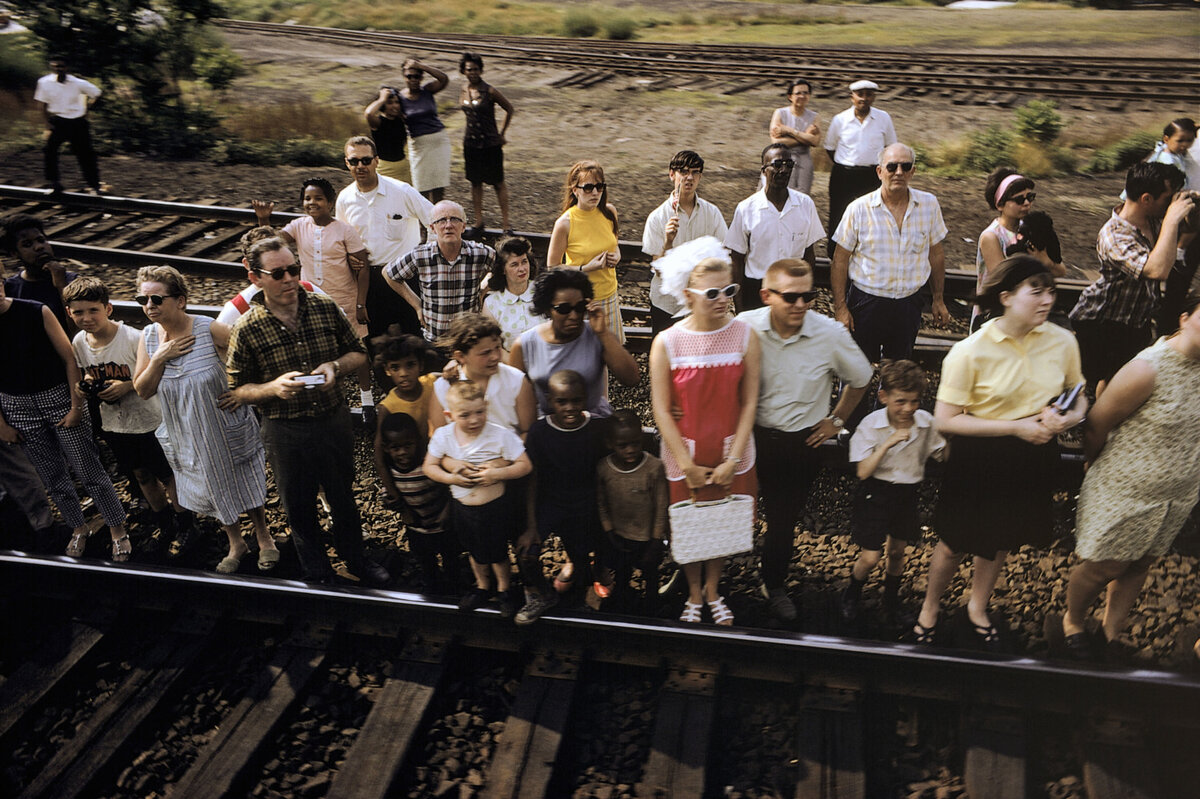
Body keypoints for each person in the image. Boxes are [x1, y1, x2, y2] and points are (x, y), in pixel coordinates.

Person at [914, 256, 1087, 651]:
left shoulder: (1063, 340)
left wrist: (1068, 420)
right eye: (1037, 291)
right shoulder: (969, 352)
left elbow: (1079, 395)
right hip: (981, 455)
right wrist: (1015, 427)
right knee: (955, 540)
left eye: (1051, 291)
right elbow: (946, 421)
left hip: (1034, 453)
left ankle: (977, 607)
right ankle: (929, 608)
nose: (1047, 300)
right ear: (1006, 297)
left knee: (1003, 536)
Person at [226, 238, 388, 586]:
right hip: (285, 431)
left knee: (343, 497)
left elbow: (358, 354)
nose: (289, 279)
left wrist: (334, 365)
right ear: (255, 278)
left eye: (294, 270)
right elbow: (238, 389)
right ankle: (318, 573)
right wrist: (273, 388)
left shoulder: (323, 307)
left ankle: (356, 560)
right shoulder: (247, 328)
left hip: (331, 421)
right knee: (298, 507)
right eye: (279, 273)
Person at [1061, 294, 1200, 661]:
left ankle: (1110, 634)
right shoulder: (1149, 369)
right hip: (1126, 489)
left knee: (1140, 563)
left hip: (1177, 492)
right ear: (1184, 318)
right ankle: (1072, 621)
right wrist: (1091, 466)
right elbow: (1097, 423)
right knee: (1103, 565)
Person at [736, 258, 873, 622]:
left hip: (800, 445)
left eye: (808, 296)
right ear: (766, 295)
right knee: (726, 510)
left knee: (783, 521)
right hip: (748, 439)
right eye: (790, 297)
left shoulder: (829, 334)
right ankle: (704, 582)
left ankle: (773, 583)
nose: (800, 305)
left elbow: (861, 377)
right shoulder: (742, 328)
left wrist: (837, 420)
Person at [131, 266, 277, 573]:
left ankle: (264, 537)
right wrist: (160, 357)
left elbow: (250, 359)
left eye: (157, 299)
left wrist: (241, 393)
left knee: (242, 477)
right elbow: (142, 389)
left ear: (180, 300)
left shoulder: (208, 328)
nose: (149, 307)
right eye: (142, 300)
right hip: (185, 429)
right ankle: (235, 542)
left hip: (223, 424)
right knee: (212, 483)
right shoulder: (148, 338)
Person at [651, 246, 760, 625]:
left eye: (728, 291)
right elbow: (661, 409)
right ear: (687, 295)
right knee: (690, 523)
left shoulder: (746, 336)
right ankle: (694, 593)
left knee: (722, 522)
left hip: (731, 448)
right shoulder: (667, 342)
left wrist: (733, 459)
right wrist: (686, 463)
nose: (723, 300)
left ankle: (714, 590)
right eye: (712, 293)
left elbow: (749, 402)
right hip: (687, 453)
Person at [0, 275, 129, 560]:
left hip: (58, 397)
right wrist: (1, 424)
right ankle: (78, 527)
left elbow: (69, 359)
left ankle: (117, 529)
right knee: (53, 477)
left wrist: (75, 407)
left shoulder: (35, 310)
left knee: (88, 470)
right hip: (17, 406)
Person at [65, 277, 189, 545]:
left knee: (167, 474)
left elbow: (153, 375)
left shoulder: (133, 337)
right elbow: (87, 373)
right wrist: (87, 386)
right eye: (78, 312)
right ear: (69, 313)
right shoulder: (79, 342)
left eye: (93, 310)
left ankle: (186, 522)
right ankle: (164, 520)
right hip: (116, 423)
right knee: (141, 474)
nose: (86, 318)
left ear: (108, 309)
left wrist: (126, 387)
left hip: (149, 419)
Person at [1069, 162, 1194, 397]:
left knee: (1119, 381)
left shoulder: (1154, 219)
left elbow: (1190, 227)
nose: (1171, 205)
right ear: (1146, 199)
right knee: (1093, 385)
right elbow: (1156, 271)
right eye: (1168, 198)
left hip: (1136, 319)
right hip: (1102, 321)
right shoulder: (1113, 234)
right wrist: (1171, 222)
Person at [255, 178, 374, 420]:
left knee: (358, 348)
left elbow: (363, 268)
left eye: (318, 198)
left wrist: (361, 303)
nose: (312, 203)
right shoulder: (298, 226)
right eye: (308, 198)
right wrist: (264, 220)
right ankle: (322, 398)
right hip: (310, 302)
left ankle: (367, 399)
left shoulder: (344, 230)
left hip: (344, 299)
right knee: (318, 350)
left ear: (330, 202)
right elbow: (270, 246)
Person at [841, 360, 945, 626]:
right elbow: (863, 471)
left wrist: (957, 433)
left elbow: (942, 454)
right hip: (875, 493)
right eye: (901, 401)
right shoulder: (871, 425)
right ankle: (852, 592)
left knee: (898, 552)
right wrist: (887, 443)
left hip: (907, 493)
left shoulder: (924, 422)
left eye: (914, 401)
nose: (908, 408)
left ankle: (890, 601)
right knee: (871, 556)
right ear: (884, 397)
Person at [831, 142, 951, 373]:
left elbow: (936, 254)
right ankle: (853, 411)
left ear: (913, 172)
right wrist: (841, 307)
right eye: (892, 166)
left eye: (906, 167)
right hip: (866, 302)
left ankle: (885, 410)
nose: (899, 172)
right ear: (879, 171)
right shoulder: (858, 209)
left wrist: (938, 298)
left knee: (898, 373)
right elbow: (840, 260)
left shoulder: (929, 205)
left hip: (908, 303)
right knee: (856, 370)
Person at [425, 380, 531, 616]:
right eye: (465, 415)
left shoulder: (499, 435)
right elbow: (429, 467)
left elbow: (525, 465)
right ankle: (482, 585)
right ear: (449, 414)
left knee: (498, 552)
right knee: (474, 551)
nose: (474, 420)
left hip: (494, 508)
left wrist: (498, 473)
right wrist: (451, 478)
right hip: (463, 508)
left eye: (479, 412)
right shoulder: (444, 436)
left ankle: (504, 588)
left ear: (487, 407)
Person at [520, 369, 608, 622]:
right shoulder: (539, 431)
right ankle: (543, 595)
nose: (570, 408)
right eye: (561, 401)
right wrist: (531, 525)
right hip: (551, 503)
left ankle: (581, 600)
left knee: (581, 559)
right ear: (549, 400)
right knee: (526, 554)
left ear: (585, 399)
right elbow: (532, 479)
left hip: (584, 505)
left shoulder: (597, 428)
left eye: (576, 401)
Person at [336, 135, 433, 341]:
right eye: (354, 161)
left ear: (376, 160)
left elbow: (435, 220)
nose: (360, 166)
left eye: (366, 160)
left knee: (415, 337)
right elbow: (341, 237)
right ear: (347, 163)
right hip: (369, 280)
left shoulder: (402, 191)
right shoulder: (344, 199)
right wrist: (347, 256)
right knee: (377, 341)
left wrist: (428, 257)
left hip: (406, 277)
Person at [510, 268, 640, 419]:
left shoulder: (596, 334)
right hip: (546, 429)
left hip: (594, 423)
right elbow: (513, 400)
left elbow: (631, 378)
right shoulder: (525, 344)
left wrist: (603, 334)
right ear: (547, 310)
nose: (574, 316)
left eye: (579, 308)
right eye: (564, 309)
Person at [725, 143, 824, 311]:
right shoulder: (746, 209)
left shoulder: (805, 205)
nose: (784, 170)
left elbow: (809, 254)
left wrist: (806, 293)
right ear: (764, 170)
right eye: (777, 165)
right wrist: (740, 307)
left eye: (789, 165)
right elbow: (737, 260)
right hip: (756, 292)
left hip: (793, 292)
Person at [385, 200, 496, 345]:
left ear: (463, 226)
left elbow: (501, 268)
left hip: (468, 341)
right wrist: (417, 305)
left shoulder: (480, 253)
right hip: (434, 341)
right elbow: (389, 274)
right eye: (442, 220)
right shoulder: (420, 255)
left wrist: (482, 291)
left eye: (455, 219)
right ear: (432, 228)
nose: (448, 225)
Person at [641, 150, 729, 333]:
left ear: (700, 176)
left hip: (703, 302)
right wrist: (668, 242)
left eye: (695, 172)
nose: (689, 177)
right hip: (667, 304)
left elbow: (723, 256)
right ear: (672, 174)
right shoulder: (657, 218)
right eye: (684, 171)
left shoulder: (712, 213)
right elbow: (657, 268)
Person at [595, 408, 669, 612]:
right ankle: (621, 598)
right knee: (622, 569)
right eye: (622, 445)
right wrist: (609, 530)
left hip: (646, 537)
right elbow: (601, 502)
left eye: (635, 443)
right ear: (610, 444)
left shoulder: (654, 468)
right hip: (619, 535)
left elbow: (661, 504)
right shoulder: (604, 468)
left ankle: (652, 603)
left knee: (650, 571)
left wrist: (656, 540)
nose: (630, 450)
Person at [974, 168, 1065, 331]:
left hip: (1027, 314)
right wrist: (1040, 263)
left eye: (1030, 197)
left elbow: (1060, 270)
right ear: (1000, 204)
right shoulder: (992, 236)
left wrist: (1045, 261)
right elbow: (1004, 280)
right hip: (997, 316)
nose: (1026, 203)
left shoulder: (1033, 228)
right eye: (1019, 200)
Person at [546, 161, 624, 342]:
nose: (595, 192)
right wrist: (585, 268)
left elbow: (614, 242)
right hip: (582, 302)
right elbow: (553, 267)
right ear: (575, 190)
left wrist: (617, 255)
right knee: (588, 360)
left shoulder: (609, 212)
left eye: (599, 186)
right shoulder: (565, 223)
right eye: (588, 187)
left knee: (612, 355)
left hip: (609, 295)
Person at [379, 412, 454, 590]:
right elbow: (388, 496)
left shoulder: (427, 466)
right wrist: (391, 504)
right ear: (386, 448)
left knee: (451, 559)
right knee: (425, 561)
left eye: (408, 445)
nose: (403, 452)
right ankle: (433, 588)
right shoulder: (391, 473)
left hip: (442, 526)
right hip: (416, 529)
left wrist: (448, 511)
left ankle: (453, 587)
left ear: (417, 441)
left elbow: (450, 488)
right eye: (396, 448)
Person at [429, 313, 535, 438]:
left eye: (497, 348)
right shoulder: (443, 387)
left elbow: (528, 432)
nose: (495, 356)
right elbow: (438, 438)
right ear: (461, 356)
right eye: (485, 353)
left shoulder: (516, 380)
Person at [372, 328, 442, 507]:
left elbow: (456, 376)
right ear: (387, 370)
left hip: (438, 462)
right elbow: (380, 454)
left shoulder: (433, 382)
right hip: (408, 472)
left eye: (410, 365)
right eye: (395, 367)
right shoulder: (388, 406)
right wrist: (394, 494)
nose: (403, 373)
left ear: (420, 365)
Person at [823, 79, 897, 244]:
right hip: (844, 175)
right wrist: (847, 164)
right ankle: (835, 254)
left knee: (873, 214)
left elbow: (890, 146)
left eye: (869, 94)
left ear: (874, 97)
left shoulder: (883, 118)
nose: (864, 98)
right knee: (839, 214)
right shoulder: (840, 119)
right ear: (852, 97)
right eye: (860, 94)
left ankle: (870, 250)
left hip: (873, 175)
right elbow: (830, 147)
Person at [217, 226, 326, 325]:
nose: (287, 279)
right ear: (247, 264)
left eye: (292, 270)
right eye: (276, 273)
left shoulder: (309, 290)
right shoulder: (238, 308)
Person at [459, 52, 515, 237]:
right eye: (469, 70)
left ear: (481, 70)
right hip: (471, 143)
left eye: (475, 69)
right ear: (464, 71)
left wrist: (502, 133)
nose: (472, 73)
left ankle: (506, 225)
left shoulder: (489, 91)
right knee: (475, 183)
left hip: (490, 143)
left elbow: (509, 108)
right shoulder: (463, 90)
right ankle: (478, 222)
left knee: (498, 183)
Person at [35, 55, 102, 195]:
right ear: (51, 67)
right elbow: (41, 105)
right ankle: (54, 183)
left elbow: (97, 93)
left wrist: (86, 109)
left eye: (61, 66)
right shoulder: (44, 82)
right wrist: (46, 124)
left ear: (67, 67)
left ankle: (94, 186)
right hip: (58, 121)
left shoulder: (77, 82)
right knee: (49, 151)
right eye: (55, 66)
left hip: (77, 122)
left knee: (85, 154)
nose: (58, 69)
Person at [3, 213, 76, 330]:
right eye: (27, 244)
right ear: (14, 253)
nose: (39, 247)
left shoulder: (72, 281)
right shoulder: (10, 288)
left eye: (41, 240)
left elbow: (79, 330)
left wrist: (61, 285)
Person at [398, 58, 452, 203]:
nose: (413, 80)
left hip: (439, 142)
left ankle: (438, 220)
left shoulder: (427, 90)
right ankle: (424, 224)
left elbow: (444, 79)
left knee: (438, 186)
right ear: (404, 77)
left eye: (417, 76)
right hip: (418, 145)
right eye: (409, 76)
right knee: (421, 188)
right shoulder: (399, 97)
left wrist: (421, 65)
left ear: (422, 77)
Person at [481, 236, 539, 353]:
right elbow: (493, 346)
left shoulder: (543, 291)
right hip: (510, 366)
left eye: (524, 262)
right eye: (514, 265)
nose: (522, 269)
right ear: (503, 270)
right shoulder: (492, 304)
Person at [769, 78, 821, 196]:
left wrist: (788, 130)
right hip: (782, 158)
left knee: (802, 195)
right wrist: (804, 137)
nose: (802, 96)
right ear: (790, 96)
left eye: (806, 93)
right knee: (780, 192)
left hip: (804, 159)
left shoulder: (814, 117)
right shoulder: (780, 113)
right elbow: (776, 142)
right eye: (798, 93)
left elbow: (815, 141)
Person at [364, 86, 408, 180]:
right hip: (384, 168)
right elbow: (368, 114)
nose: (394, 106)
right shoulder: (378, 122)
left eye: (397, 102)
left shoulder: (401, 120)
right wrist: (382, 98)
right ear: (383, 105)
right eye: (389, 103)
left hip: (403, 167)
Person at [1146, 118, 1199, 191]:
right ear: (1166, 139)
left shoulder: (1172, 150)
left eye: (1189, 140)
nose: (1185, 145)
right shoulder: (1168, 162)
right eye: (1180, 141)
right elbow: (1171, 188)